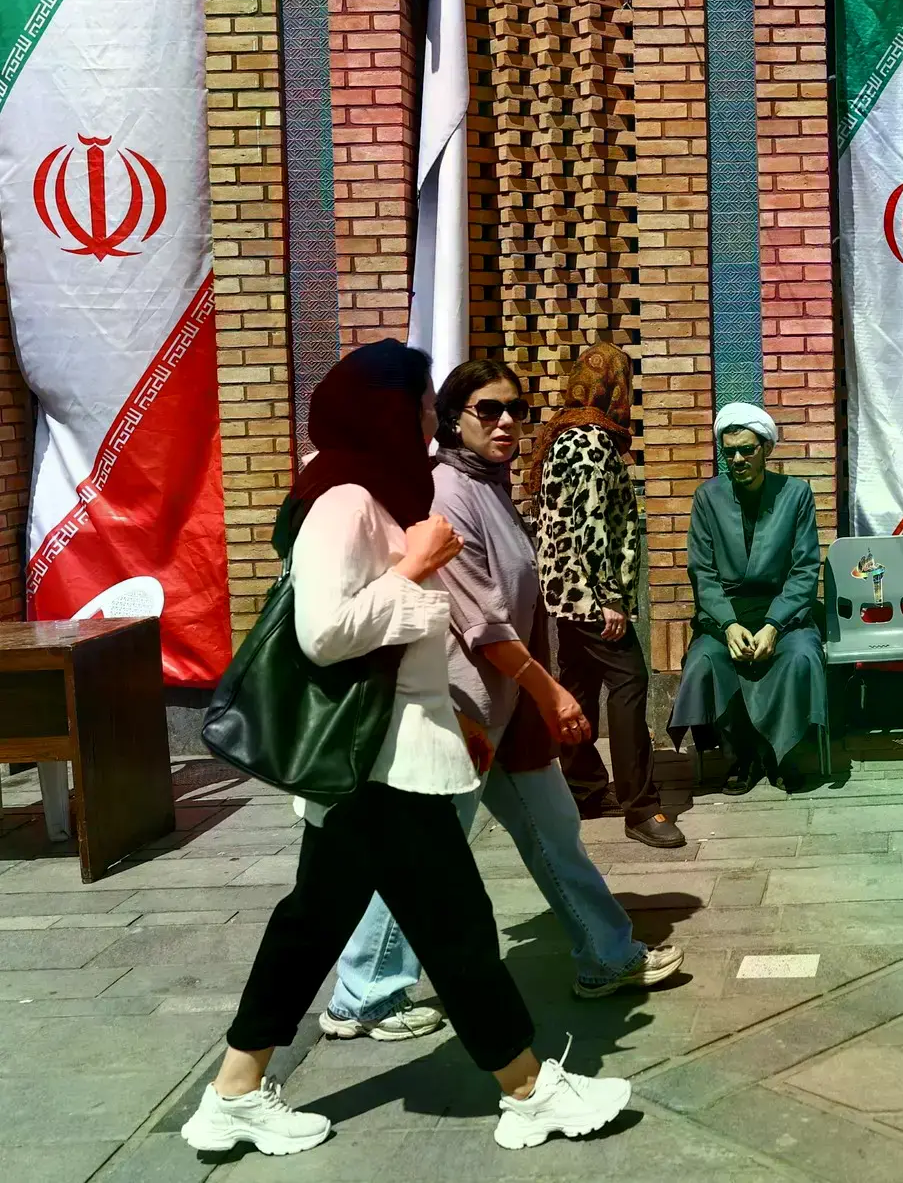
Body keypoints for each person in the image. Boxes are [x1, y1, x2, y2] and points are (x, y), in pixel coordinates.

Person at [181, 341, 630, 1158]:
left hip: (381, 759)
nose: (433, 416)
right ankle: (529, 1090)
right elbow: (323, 634)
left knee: (310, 927)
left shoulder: (378, 491)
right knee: (457, 928)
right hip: (381, 762)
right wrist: (415, 577)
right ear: (384, 409)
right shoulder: (345, 499)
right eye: (424, 402)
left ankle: (233, 1093)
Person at [317, 359, 685, 1046]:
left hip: (503, 706)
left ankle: (606, 956)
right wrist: (550, 692)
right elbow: (480, 621)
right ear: (455, 418)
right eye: (488, 410)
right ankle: (363, 995)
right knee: (423, 855)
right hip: (458, 709)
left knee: (552, 832)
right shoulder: (446, 490)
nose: (507, 422)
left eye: (516, 409)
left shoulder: (490, 486)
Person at [524, 342, 681, 848]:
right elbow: (591, 524)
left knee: (580, 682)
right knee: (631, 683)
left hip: (564, 594)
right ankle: (642, 807)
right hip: (591, 596)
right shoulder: (592, 443)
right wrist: (608, 599)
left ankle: (585, 787)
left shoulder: (560, 437)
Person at [670, 404, 828, 794]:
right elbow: (702, 572)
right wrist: (728, 625)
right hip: (725, 615)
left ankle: (782, 752)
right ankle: (740, 754)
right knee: (707, 661)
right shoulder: (708, 498)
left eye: (747, 449)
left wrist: (775, 625)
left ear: (766, 449)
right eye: (730, 452)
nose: (738, 459)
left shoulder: (796, 495)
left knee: (801, 656)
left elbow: (805, 569)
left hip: (783, 615)